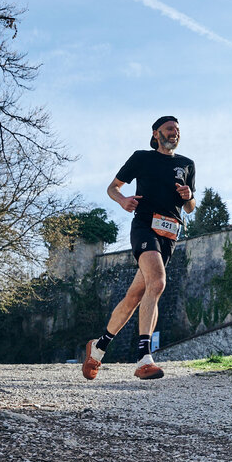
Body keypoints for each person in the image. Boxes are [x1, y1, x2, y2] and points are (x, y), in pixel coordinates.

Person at [82, 115, 196, 380]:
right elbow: (113, 188)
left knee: (135, 296)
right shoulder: (141, 158)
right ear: (156, 133)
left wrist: (189, 197)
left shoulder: (186, 164)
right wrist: (122, 201)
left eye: (177, 130)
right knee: (157, 283)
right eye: (169, 129)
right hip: (145, 226)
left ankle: (97, 349)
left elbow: (190, 207)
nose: (174, 133)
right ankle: (144, 358)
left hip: (170, 235)